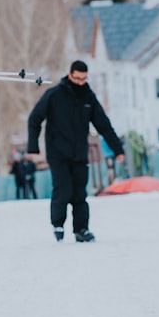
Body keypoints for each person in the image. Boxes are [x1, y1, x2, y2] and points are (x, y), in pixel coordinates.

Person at [27, 60, 124, 243]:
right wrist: (33, 146)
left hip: (79, 153)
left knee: (80, 193)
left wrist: (117, 148)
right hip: (58, 153)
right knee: (63, 190)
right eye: (77, 78)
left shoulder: (88, 97)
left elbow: (103, 125)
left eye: (83, 79)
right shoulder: (54, 94)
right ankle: (58, 224)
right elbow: (35, 118)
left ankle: (81, 230)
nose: (80, 82)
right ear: (70, 75)